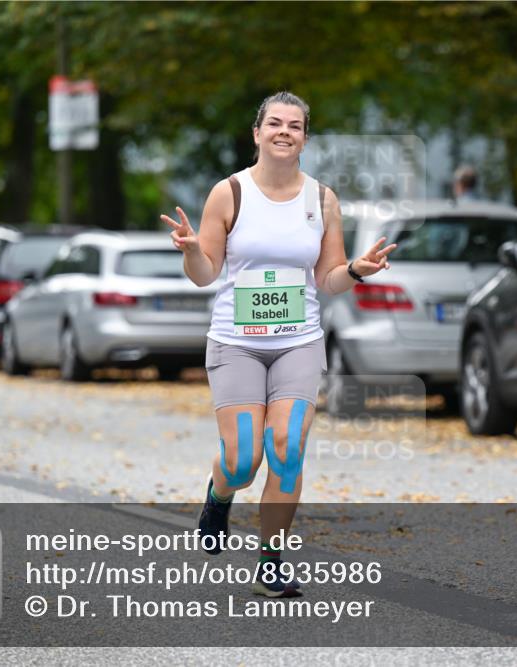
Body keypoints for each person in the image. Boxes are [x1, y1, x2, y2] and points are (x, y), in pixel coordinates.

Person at [161, 91, 396, 598]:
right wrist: (190, 251)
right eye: (274, 123)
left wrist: (356, 269)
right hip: (236, 344)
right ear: (257, 133)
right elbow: (205, 275)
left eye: (294, 125)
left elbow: (328, 278)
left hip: (299, 343)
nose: (283, 131)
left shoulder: (322, 199)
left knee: (287, 449)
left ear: (304, 138)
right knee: (243, 458)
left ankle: (271, 559)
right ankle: (219, 496)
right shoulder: (229, 193)